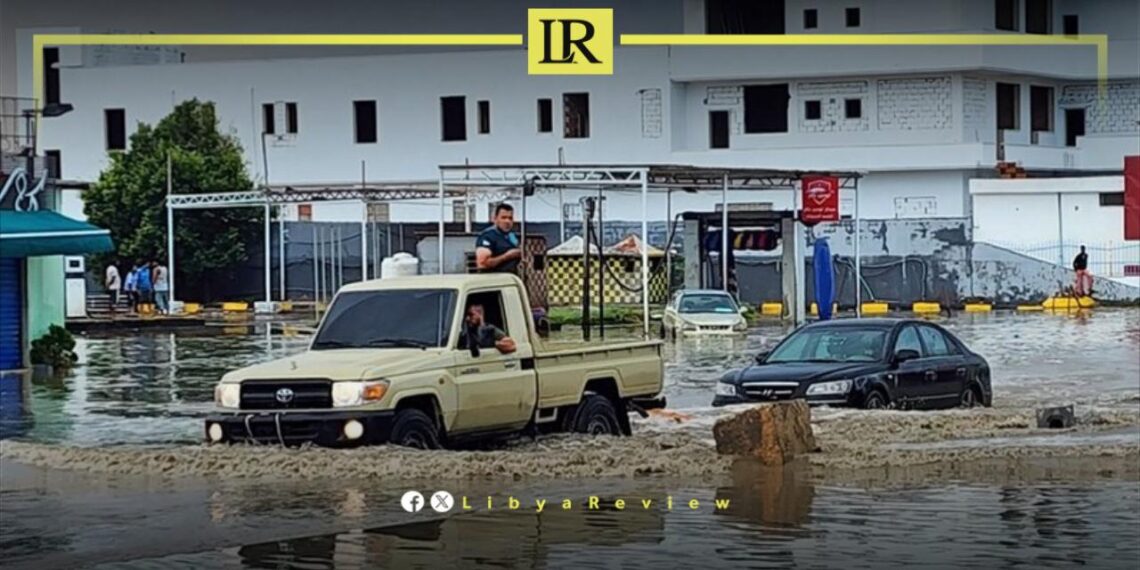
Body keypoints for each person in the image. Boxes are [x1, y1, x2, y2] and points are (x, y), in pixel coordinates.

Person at [475, 203, 522, 274]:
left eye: (510, 218)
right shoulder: (488, 236)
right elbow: (482, 264)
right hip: (494, 280)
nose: (507, 221)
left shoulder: (511, 235)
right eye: (503, 218)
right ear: (495, 219)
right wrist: (506, 256)